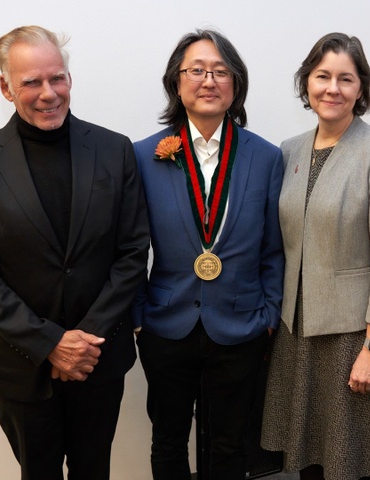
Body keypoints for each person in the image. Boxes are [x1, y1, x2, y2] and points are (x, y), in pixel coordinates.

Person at [0, 26, 149, 480]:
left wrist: (84, 342)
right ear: (5, 87)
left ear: (69, 78)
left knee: (93, 470)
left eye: (57, 78)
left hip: (98, 359)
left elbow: (133, 251)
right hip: (22, 367)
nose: (48, 93)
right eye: (32, 82)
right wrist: (51, 344)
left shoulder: (114, 149)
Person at [260, 32, 370, 480]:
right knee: (310, 457)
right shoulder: (289, 150)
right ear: (306, 83)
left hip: (356, 335)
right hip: (299, 330)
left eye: (345, 79)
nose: (333, 88)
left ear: (361, 89)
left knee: (356, 461)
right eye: (322, 76)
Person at [132, 29, 284, 480]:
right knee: (168, 440)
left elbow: (274, 248)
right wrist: (139, 314)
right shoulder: (143, 156)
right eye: (196, 70)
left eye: (221, 71)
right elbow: (130, 247)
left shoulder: (266, 157)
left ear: (236, 84)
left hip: (241, 326)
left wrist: (269, 315)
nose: (208, 80)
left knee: (230, 443)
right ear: (176, 83)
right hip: (166, 323)